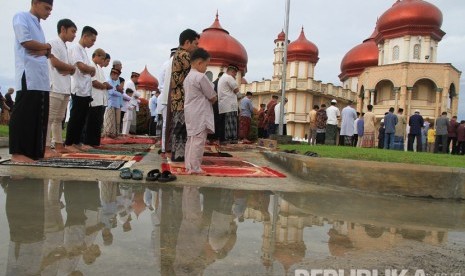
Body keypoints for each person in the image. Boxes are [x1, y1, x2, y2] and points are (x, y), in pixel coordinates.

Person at [10, 0, 54, 163]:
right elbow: (27, 43)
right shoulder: (21, 17)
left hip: (41, 77)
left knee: (38, 114)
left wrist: (44, 49)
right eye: (47, 8)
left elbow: (44, 51)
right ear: (35, 3)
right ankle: (18, 152)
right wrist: (45, 47)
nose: (49, 12)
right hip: (27, 73)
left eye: (51, 9)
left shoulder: (39, 26)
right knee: (24, 113)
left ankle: (33, 152)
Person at [45, 19, 77, 157]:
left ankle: (58, 144)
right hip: (55, 86)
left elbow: (72, 69)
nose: (74, 35)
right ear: (63, 29)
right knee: (49, 118)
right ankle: (45, 147)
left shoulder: (65, 47)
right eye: (73, 31)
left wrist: (69, 68)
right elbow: (55, 63)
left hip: (64, 87)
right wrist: (69, 68)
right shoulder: (53, 43)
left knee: (59, 118)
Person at [167, 29, 199, 162]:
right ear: (187, 42)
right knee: (182, 128)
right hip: (182, 98)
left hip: (177, 98)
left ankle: (177, 154)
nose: (196, 47)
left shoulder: (177, 54)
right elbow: (195, 73)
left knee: (178, 128)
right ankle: (180, 156)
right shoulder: (185, 55)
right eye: (195, 44)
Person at [183, 48, 217, 174]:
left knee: (191, 139)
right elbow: (212, 95)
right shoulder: (200, 77)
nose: (206, 68)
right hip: (200, 112)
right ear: (199, 63)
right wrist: (214, 98)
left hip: (190, 111)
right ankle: (195, 167)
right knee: (198, 140)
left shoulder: (188, 77)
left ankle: (189, 165)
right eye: (206, 65)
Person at [65, 26, 98, 152]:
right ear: (85, 36)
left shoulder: (83, 51)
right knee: (75, 117)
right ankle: (69, 143)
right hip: (77, 88)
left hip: (85, 90)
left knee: (82, 118)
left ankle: (77, 142)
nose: (93, 43)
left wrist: (90, 70)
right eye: (92, 40)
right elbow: (82, 67)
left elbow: (88, 70)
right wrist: (91, 69)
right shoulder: (75, 48)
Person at [84, 48, 110, 147]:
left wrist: (104, 86)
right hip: (94, 97)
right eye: (102, 58)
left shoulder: (99, 68)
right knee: (91, 122)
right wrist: (104, 86)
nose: (103, 61)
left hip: (100, 98)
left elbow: (104, 83)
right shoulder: (91, 65)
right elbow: (94, 82)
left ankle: (95, 142)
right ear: (97, 56)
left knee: (98, 122)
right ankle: (88, 142)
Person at [156, 47, 177, 154]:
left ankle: (165, 146)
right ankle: (167, 147)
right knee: (169, 123)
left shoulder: (164, 65)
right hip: (168, 97)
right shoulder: (171, 64)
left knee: (166, 123)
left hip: (164, 97)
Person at [218, 65, 240, 144]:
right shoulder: (229, 77)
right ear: (232, 72)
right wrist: (240, 97)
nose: (235, 76)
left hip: (223, 105)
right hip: (230, 105)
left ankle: (223, 140)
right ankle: (230, 140)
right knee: (230, 123)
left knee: (224, 123)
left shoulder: (222, 78)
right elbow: (236, 90)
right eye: (235, 74)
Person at [102, 68, 122, 138]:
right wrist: (120, 93)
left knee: (114, 121)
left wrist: (119, 92)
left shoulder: (114, 82)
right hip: (110, 103)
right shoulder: (108, 81)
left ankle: (112, 135)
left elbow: (118, 91)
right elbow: (111, 92)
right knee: (109, 120)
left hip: (116, 103)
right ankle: (107, 135)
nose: (117, 78)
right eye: (117, 76)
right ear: (112, 74)